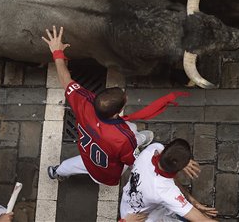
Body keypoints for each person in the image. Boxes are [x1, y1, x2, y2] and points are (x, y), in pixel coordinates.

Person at [42, 26, 190, 186]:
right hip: (107, 174)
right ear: (118, 111)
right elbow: (135, 161)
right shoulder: (123, 136)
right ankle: (139, 141)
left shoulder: (84, 103)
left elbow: (66, 80)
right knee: (133, 132)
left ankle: (55, 171)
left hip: (89, 158)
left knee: (72, 165)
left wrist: (57, 52)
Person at [119, 139, 218, 222]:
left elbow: (169, 181)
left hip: (127, 206)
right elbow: (204, 221)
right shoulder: (165, 192)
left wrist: (193, 202)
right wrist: (194, 206)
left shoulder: (152, 149)